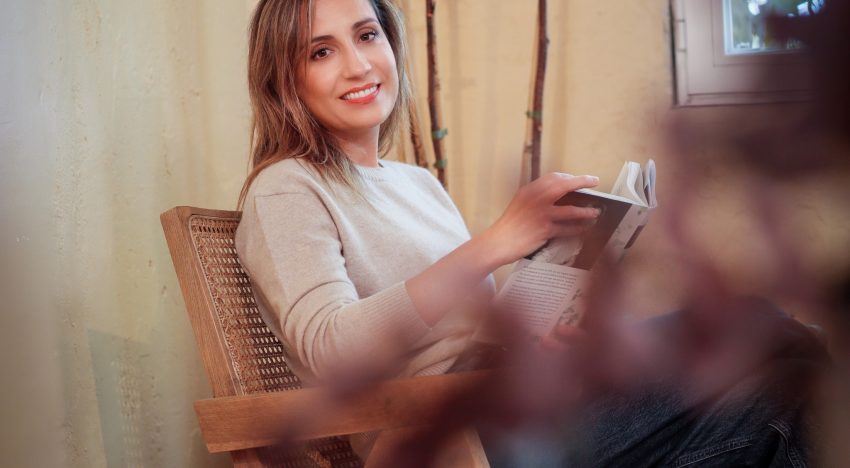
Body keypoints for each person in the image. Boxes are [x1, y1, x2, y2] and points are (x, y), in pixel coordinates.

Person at [235, 0, 826, 465]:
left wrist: (540, 340)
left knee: (784, 401)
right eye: (320, 51)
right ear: (284, 79)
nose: (359, 65)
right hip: (455, 445)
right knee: (763, 331)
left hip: (512, 409)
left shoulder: (417, 184)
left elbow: (466, 343)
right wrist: (495, 243)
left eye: (367, 35)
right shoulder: (286, 187)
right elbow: (332, 351)